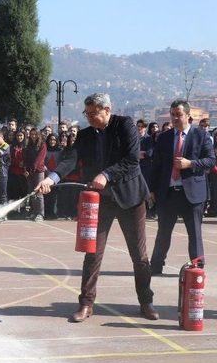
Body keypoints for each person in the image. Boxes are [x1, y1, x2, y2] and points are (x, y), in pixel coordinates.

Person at [36, 93, 158, 322]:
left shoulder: (125, 125)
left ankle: (146, 301)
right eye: (87, 114)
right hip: (100, 200)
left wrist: (105, 174)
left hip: (130, 198)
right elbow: (70, 159)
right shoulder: (84, 135)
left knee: (139, 256)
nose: (90, 118)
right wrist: (51, 179)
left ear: (107, 110)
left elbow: (132, 160)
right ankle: (86, 303)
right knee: (92, 252)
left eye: (94, 113)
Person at [149, 99, 216, 275]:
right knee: (163, 232)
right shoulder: (164, 137)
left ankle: (197, 266)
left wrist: (190, 163)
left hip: (192, 193)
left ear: (188, 116)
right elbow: (156, 165)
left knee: (194, 233)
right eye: (172, 115)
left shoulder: (201, 135)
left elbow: (211, 160)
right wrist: (152, 189)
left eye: (178, 115)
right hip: (168, 192)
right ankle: (155, 266)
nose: (175, 118)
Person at [24, 127, 47, 221]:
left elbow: (39, 159)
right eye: (31, 134)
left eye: (35, 134)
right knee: (32, 192)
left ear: (38, 135)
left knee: (39, 193)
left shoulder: (42, 145)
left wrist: (33, 168)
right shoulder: (29, 145)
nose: (33, 136)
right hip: (29, 171)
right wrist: (26, 169)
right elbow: (26, 158)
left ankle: (40, 214)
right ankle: (34, 212)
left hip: (38, 171)